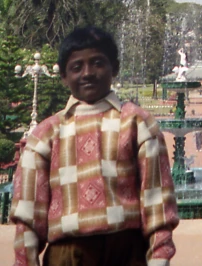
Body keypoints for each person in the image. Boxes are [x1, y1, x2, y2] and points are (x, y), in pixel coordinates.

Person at [11, 25, 179, 266]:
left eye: (98, 63)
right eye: (76, 67)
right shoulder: (47, 133)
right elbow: (28, 213)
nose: (87, 73)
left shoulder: (136, 123)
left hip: (127, 252)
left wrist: (159, 258)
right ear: (64, 76)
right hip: (67, 256)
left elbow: (158, 201)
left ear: (115, 68)